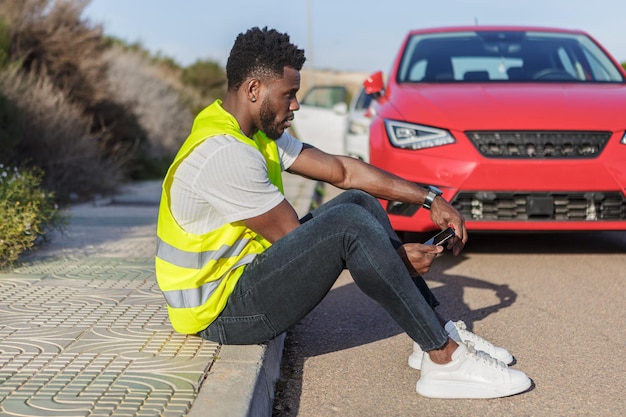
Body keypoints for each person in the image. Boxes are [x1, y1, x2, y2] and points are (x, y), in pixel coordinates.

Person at [155, 26, 531, 399]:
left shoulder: (252, 133)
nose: (296, 105)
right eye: (289, 94)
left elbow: (343, 171)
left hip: (240, 281)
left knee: (359, 204)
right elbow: (299, 244)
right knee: (348, 224)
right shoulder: (225, 152)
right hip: (219, 314)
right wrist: (395, 258)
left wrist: (430, 199)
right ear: (254, 89)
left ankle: (434, 331)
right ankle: (445, 360)